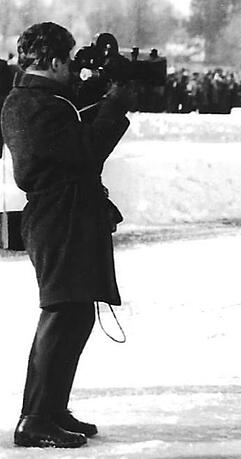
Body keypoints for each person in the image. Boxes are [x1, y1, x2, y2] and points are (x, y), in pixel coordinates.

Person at [2, 22, 131, 448]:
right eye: (69, 60)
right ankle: (35, 418)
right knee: (61, 315)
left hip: (65, 214)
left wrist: (102, 94)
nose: (72, 68)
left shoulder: (39, 100)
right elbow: (84, 152)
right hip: (59, 216)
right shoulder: (33, 104)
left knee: (75, 315)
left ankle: (52, 408)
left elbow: (72, 135)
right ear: (55, 61)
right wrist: (114, 107)